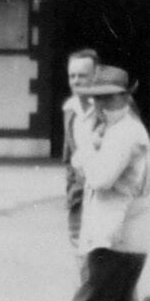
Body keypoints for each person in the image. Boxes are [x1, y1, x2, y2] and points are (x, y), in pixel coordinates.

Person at [39, 65, 150, 301]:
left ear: (126, 95)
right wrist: (88, 146)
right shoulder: (119, 131)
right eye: (97, 97)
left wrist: (83, 138)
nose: (102, 104)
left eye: (110, 97)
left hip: (112, 242)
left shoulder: (125, 133)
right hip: (123, 242)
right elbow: (86, 168)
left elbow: (99, 177)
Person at [60, 47, 100, 248]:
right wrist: (72, 194)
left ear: (95, 76)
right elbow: (68, 158)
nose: (75, 81)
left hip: (104, 197)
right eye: (72, 76)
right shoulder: (69, 110)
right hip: (78, 199)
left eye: (82, 76)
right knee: (79, 254)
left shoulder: (107, 109)